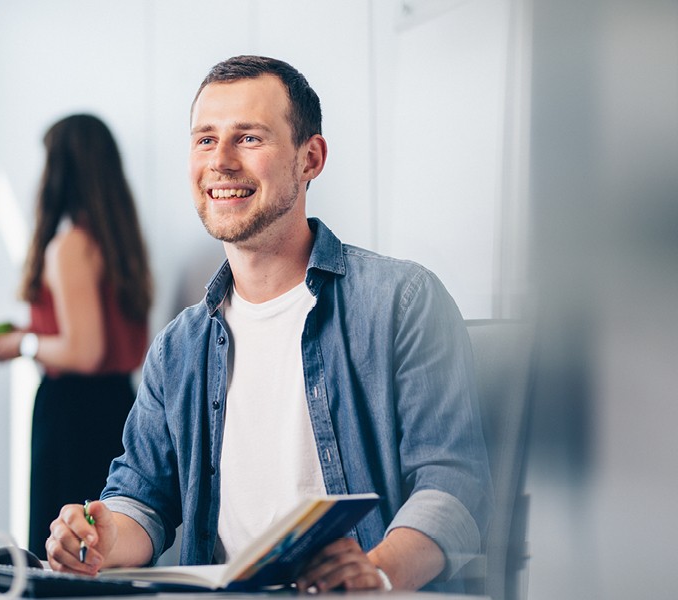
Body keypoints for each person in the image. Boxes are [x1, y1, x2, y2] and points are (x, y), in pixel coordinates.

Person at [45, 56, 492, 593]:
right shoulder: (179, 346)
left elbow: (454, 485)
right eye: (205, 140)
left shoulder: (402, 301)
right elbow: (141, 498)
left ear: (311, 159)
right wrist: (100, 538)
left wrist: (377, 571)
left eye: (249, 138)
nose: (221, 162)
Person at [0, 114, 153, 560]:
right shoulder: (119, 241)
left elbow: (83, 350)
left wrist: (22, 344)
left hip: (73, 415)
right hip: (118, 404)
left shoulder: (72, 246)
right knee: (103, 554)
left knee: (67, 554)